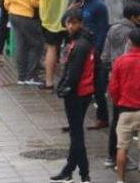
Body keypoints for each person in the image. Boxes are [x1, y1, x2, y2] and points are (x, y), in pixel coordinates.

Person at [107, 28, 140, 183]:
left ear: (129, 42)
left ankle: (120, 179)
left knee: (122, 147)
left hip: (125, 110)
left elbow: (113, 87)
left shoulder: (120, 62)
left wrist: (118, 102)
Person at [50, 10, 97, 183]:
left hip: (76, 94)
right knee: (76, 131)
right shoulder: (85, 41)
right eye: (68, 23)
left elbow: (74, 72)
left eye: (74, 23)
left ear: (81, 23)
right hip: (84, 92)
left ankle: (84, 172)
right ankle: (69, 169)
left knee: (76, 135)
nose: (70, 26)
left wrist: (63, 88)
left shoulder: (79, 44)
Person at [69, 0, 110, 128]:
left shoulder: (98, 6)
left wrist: (96, 52)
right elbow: (65, 21)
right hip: (78, 48)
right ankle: (76, 119)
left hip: (93, 52)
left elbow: (102, 31)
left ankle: (103, 117)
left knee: (97, 87)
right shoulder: (78, 1)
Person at [2, 0, 44, 84]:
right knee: (36, 44)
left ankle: (22, 76)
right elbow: (34, 0)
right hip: (26, 15)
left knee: (21, 45)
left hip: (14, 14)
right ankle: (31, 76)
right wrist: (43, 0)